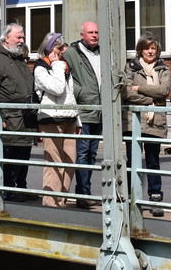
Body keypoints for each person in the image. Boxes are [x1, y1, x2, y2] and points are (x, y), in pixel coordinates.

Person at [0, 23, 35, 201]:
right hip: (6, 120)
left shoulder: (18, 59)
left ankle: (9, 191)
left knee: (15, 161)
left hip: (22, 120)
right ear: (6, 38)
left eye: (23, 37)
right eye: (18, 37)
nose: (22, 40)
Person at [122, 32, 171, 217]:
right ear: (140, 50)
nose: (150, 51)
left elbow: (164, 90)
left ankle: (155, 197)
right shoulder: (131, 68)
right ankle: (130, 197)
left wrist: (140, 88)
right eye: (147, 48)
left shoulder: (163, 69)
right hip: (133, 121)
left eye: (153, 48)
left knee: (153, 161)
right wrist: (151, 97)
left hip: (155, 121)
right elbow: (126, 92)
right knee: (131, 162)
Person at [34, 33, 79, 207]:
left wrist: (78, 120)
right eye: (58, 47)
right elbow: (58, 88)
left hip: (69, 118)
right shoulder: (40, 67)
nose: (62, 51)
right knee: (54, 162)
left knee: (69, 163)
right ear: (48, 48)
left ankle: (62, 201)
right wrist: (57, 65)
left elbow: (70, 94)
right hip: (50, 119)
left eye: (63, 47)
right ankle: (50, 203)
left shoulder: (64, 66)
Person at [64, 21, 103, 209]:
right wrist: (83, 94)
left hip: (99, 111)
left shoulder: (102, 52)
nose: (94, 35)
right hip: (84, 111)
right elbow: (66, 79)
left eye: (96, 32)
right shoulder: (72, 53)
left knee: (92, 154)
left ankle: (86, 191)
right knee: (82, 153)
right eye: (90, 32)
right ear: (82, 35)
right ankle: (82, 194)